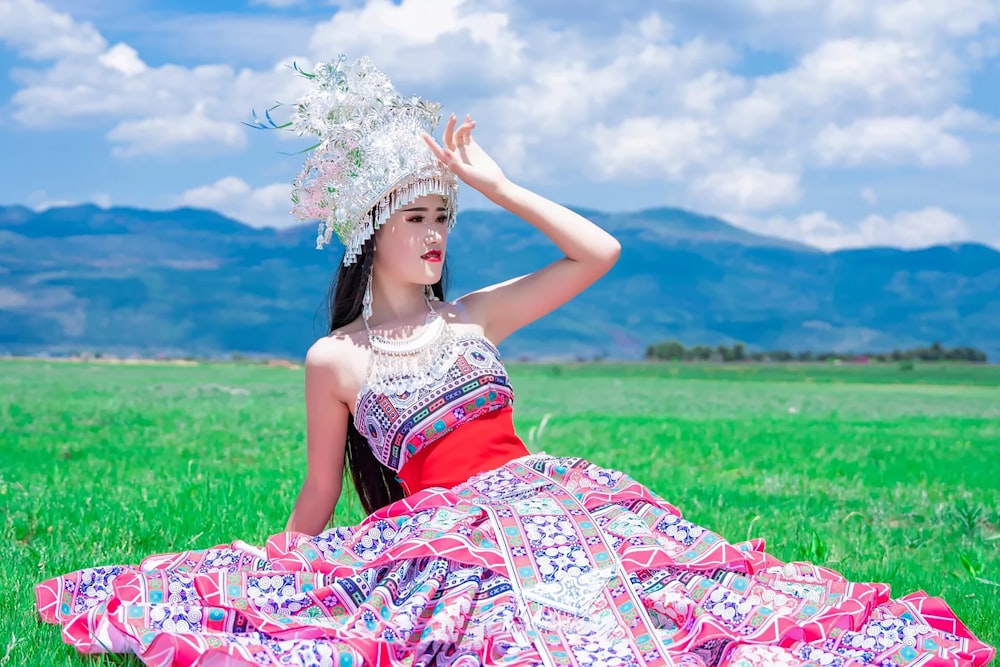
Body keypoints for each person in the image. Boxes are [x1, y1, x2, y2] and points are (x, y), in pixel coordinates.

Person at [36, 56, 994, 667]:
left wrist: (494, 185)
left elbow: (598, 251)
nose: (438, 235)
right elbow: (320, 494)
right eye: (419, 217)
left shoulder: (477, 318)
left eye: (444, 220)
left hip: (557, 499)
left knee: (707, 603)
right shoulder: (335, 358)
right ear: (372, 233)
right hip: (448, 536)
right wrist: (282, 569)